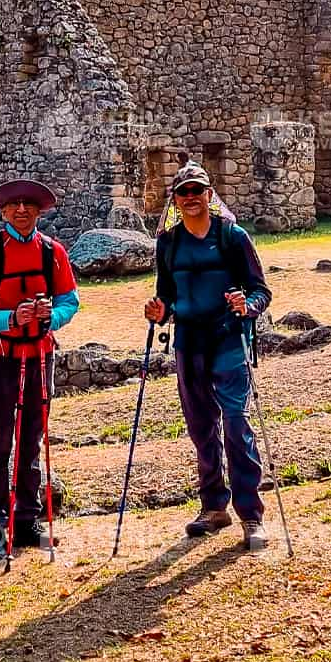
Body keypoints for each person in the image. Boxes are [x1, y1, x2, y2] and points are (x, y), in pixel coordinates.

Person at [142, 161, 275, 548]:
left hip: (230, 339)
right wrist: (159, 310)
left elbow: (261, 291)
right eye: (183, 192)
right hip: (188, 342)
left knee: (236, 424)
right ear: (175, 198)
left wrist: (246, 305)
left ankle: (251, 515)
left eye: (197, 190)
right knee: (202, 428)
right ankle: (214, 508)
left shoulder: (233, 236)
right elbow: (166, 293)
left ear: (209, 194)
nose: (190, 198)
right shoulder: (168, 243)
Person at [0, 178, 80, 561]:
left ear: (39, 210)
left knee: (32, 438)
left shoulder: (53, 252)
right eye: (15, 205)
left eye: (29, 204)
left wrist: (51, 317)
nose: (22, 210)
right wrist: (10, 318)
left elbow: (70, 300)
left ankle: (26, 521)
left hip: (40, 353)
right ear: (3, 211)